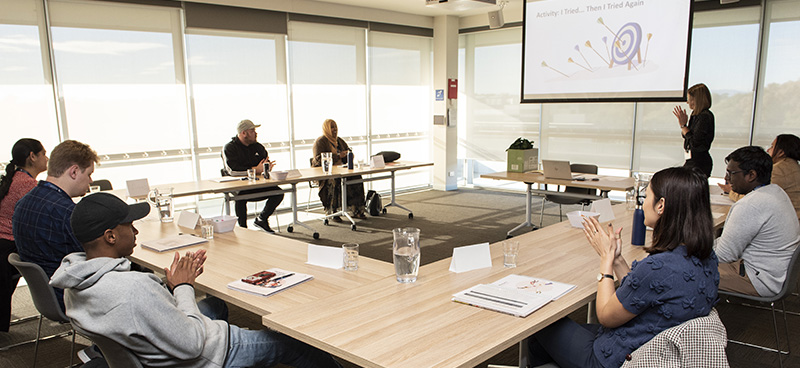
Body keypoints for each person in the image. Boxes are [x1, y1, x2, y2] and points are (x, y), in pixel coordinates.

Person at [49, 193, 341, 368]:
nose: (135, 230)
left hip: (154, 351)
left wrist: (173, 291)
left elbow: (144, 313)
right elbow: (192, 344)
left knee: (217, 303)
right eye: (129, 225)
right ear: (111, 236)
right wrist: (182, 288)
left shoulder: (74, 281)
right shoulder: (134, 289)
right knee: (295, 344)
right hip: (203, 355)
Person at [527, 167, 719, 368]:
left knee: (540, 323)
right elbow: (642, 293)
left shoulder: (659, 267)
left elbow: (605, 316)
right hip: (658, 349)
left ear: (661, 205)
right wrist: (617, 259)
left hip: (619, 358)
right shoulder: (707, 257)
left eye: (646, 196)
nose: (643, 203)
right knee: (547, 341)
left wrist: (605, 259)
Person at [12, 139, 98, 312]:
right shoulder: (67, 212)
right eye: (88, 174)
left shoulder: (23, 203)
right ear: (74, 172)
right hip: (70, 296)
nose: (90, 180)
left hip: (47, 294)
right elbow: (95, 261)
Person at [715, 146, 800, 297]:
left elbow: (723, 256)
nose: (726, 179)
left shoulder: (751, 204)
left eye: (731, 173)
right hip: (776, 275)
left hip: (761, 280)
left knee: (679, 270)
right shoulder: (776, 192)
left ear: (751, 175)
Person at [0, 139, 48, 332]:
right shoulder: (28, 185)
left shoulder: (14, 178)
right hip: (10, 245)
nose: (47, 158)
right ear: (32, 156)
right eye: (44, 153)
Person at [223, 119, 284, 233]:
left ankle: (262, 219)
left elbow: (264, 163)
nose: (256, 133)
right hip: (239, 185)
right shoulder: (229, 148)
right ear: (243, 133)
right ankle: (243, 229)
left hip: (257, 183)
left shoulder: (258, 147)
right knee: (240, 198)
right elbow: (232, 171)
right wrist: (255, 170)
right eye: (252, 131)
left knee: (278, 192)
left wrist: (266, 167)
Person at [719, 134, 800, 219]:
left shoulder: (779, 170)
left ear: (781, 152)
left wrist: (730, 191)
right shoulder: (794, 166)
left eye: (772, 147)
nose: (768, 150)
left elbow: (756, 200)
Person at [311, 119, 366, 221]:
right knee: (335, 180)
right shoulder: (320, 142)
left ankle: (357, 209)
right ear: (326, 129)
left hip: (341, 171)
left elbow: (347, 153)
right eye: (331, 127)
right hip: (326, 173)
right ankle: (333, 211)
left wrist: (348, 154)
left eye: (335, 127)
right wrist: (337, 156)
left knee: (356, 177)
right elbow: (318, 160)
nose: (334, 129)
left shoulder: (339, 141)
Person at [673, 83, 715, 177]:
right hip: (692, 160)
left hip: (699, 163)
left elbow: (695, 142)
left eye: (689, 99)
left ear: (696, 100)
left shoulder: (704, 116)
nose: (687, 102)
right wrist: (684, 126)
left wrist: (684, 126)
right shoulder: (695, 115)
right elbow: (687, 136)